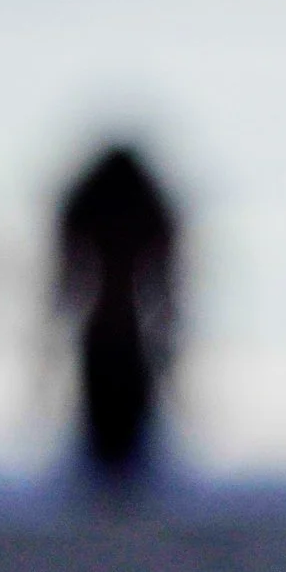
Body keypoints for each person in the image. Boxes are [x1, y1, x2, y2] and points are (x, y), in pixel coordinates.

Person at [55, 144, 179, 482]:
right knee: (120, 442)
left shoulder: (88, 204)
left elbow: (66, 282)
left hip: (110, 333)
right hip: (126, 334)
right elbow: (167, 287)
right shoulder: (149, 207)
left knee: (110, 439)